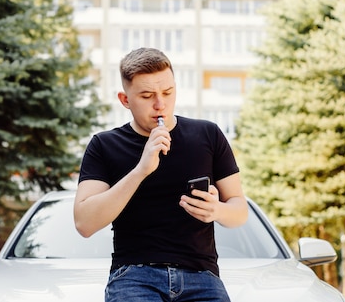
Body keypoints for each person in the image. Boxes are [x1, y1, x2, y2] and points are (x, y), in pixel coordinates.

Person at [73, 47, 248, 302]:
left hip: (202, 277)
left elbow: (239, 209)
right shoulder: (104, 145)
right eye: (147, 96)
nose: (160, 104)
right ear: (125, 100)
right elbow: (84, 224)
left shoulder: (208, 134)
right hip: (133, 277)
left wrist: (217, 211)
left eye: (167, 92)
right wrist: (141, 169)